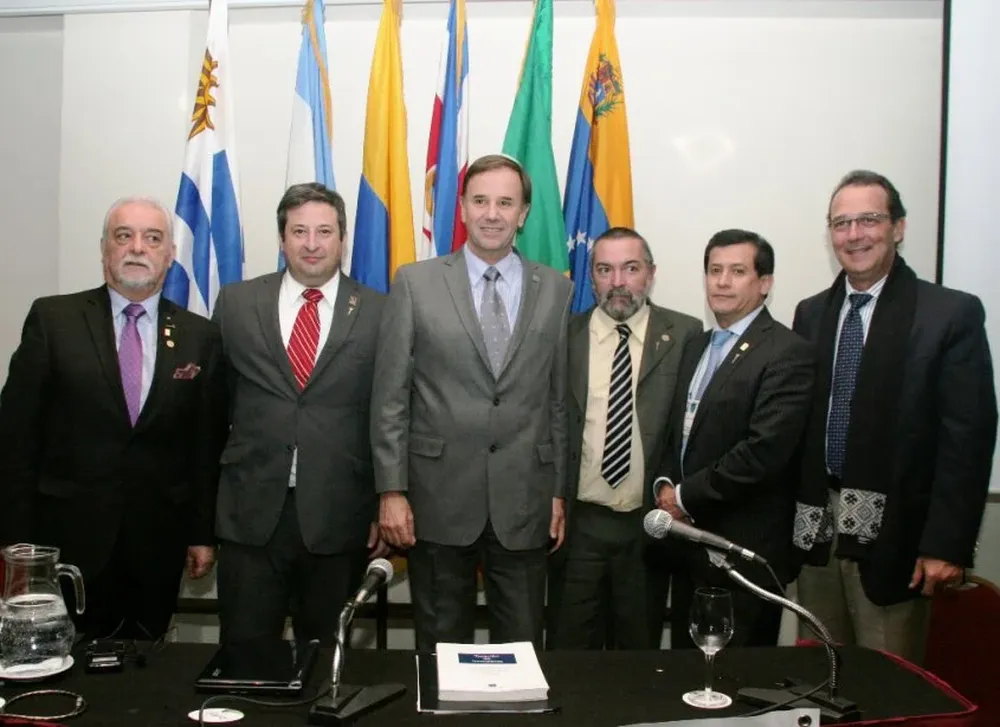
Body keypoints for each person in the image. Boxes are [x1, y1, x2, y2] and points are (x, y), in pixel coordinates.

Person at [792, 170, 998, 665]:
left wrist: (947, 545)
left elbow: (966, 440)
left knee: (889, 683)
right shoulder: (812, 313)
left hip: (899, 540)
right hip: (817, 533)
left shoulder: (949, 314)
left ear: (898, 227)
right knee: (817, 672)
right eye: (841, 223)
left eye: (869, 219)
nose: (854, 234)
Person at [0, 197, 227, 640]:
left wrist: (202, 535)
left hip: (158, 546)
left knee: (145, 680)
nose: (137, 248)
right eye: (124, 236)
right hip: (66, 545)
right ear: (104, 249)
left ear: (170, 255)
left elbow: (205, 447)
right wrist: (16, 544)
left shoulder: (201, 337)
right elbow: (15, 438)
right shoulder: (53, 320)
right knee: (64, 668)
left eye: (152, 238)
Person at [372, 153, 573, 651]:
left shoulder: (557, 289)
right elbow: (391, 396)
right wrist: (391, 491)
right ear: (461, 208)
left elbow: (557, 401)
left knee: (523, 650)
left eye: (506, 202)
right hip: (436, 499)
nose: (492, 213)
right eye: (480, 200)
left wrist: (558, 491)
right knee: (441, 648)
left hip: (525, 500)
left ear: (523, 213)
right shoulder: (415, 283)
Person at [212, 183, 386, 647]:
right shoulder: (236, 304)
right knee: (245, 657)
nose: (312, 244)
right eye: (300, 231)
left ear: (342, 239)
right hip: (250, 513)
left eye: (324, 231)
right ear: (282, 238)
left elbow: (387, 415)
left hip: (339, 515)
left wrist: (381, 502)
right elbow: (215, 407)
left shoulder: (378, 311)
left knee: (323, 658)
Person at [653, 229, 815, 648]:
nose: (722, 282)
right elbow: (678, 431)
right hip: (690, 547)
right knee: (688, 678)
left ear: (764, 284)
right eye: (714, 270)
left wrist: (684, 497)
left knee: (738, 686)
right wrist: (666, 485)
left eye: (737, 271)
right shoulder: (696, 345)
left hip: (745, 553)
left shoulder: (786, 351)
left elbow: (763, 451)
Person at [547, 227, 702, 650]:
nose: (618, 282)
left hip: (647, 526)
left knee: (638, 653)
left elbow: (690, 429)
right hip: (578, 526)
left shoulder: (686, 334)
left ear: (650, 274)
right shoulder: (562, 335)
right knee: (567, 650)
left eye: (630, 268)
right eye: (604, 269)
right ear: (591, 277)